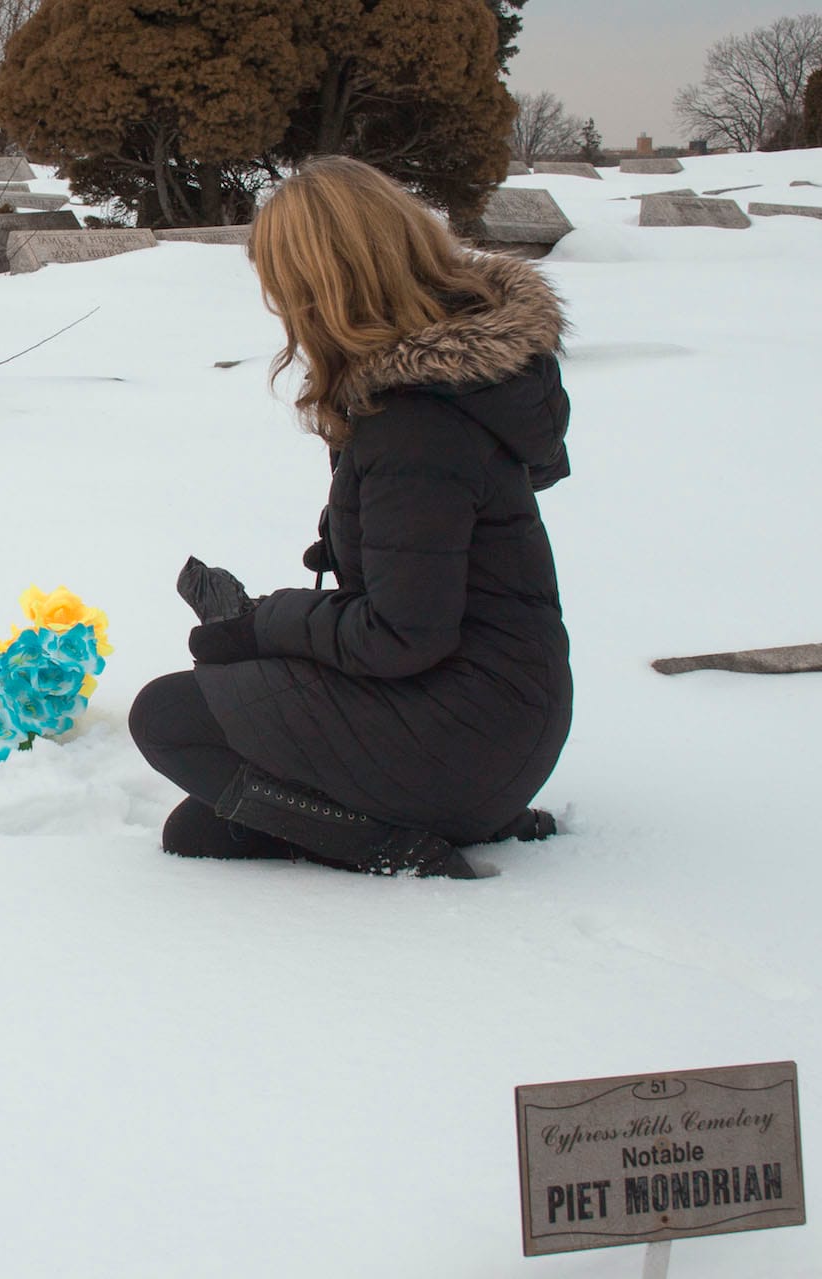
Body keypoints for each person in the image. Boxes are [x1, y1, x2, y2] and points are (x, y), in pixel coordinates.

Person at [128, 155, 573, 879]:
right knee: (201, 828)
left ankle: (399, 847)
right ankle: (422, 816)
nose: (285, 316)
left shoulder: (416, 425)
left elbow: (401, 635)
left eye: (286, 292)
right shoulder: (439, 397)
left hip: (469, 728)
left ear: (327, 288)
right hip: (497, 716)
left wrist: (263, 622)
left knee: (167, 718)